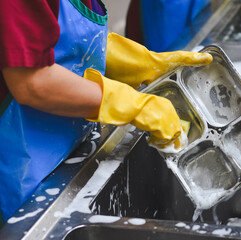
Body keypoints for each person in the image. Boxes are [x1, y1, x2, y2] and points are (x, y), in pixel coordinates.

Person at [0, 0, 212, 224]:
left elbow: (59, 34)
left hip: (60, 153)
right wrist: (129, 104)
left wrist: (135, 60)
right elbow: (32, 82)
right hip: (16, 173)